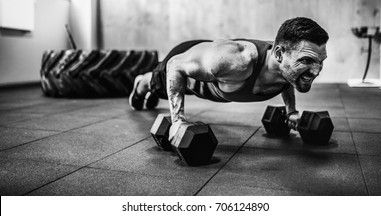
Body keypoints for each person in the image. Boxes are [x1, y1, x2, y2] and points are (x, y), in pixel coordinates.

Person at [129, 17, 329, 141]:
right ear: (278, 54)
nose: (316, 71)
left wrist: (291, 111)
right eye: (307, 61)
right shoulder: (237, 61)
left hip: (215, 71)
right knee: (156, 85)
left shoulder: (287, 66)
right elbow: (176, 65)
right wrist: (177, 121)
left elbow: (287, 80)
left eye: (321, 62)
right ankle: (141, 83)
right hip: (186, 61)